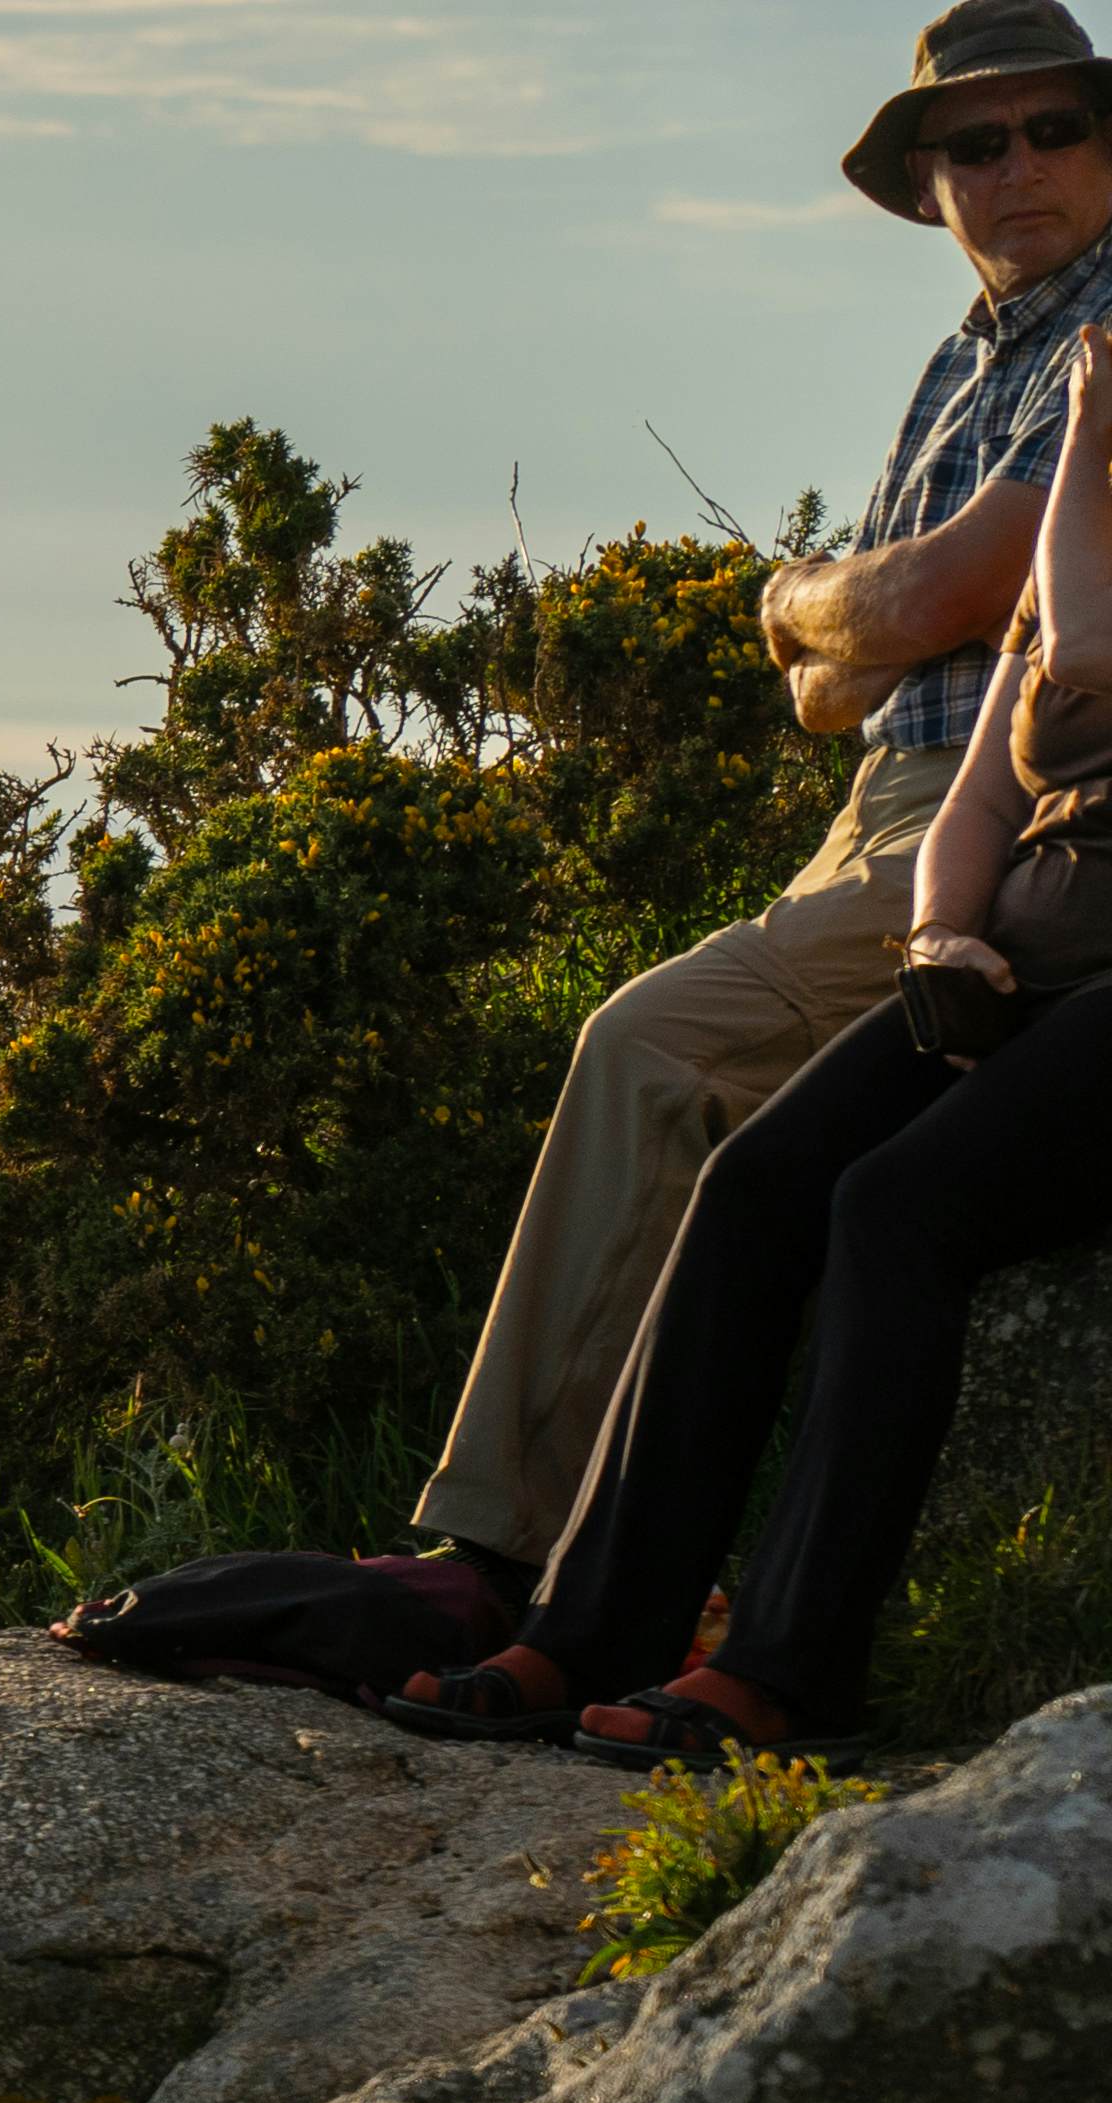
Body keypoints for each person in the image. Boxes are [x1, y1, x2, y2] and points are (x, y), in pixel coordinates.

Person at [394, 1, 1112, 1580]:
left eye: (1054, 129)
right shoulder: (964, 362)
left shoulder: (1106, 338)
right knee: (749, 1152)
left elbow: (927, 608)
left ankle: (503, 1554)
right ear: (929, 185)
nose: (1016, 169)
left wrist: (795, 595)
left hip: (1006, 808)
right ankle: (625, 1564)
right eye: (973, 144)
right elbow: (836, 688)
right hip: (884, 805)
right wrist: (858, 619)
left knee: (649, 1048)